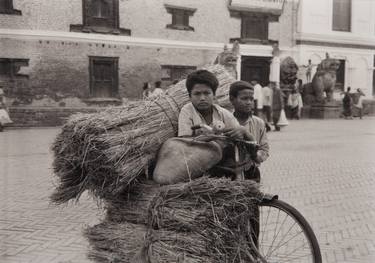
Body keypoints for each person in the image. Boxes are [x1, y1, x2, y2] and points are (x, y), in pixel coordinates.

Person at [178, 69, 243, 138]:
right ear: (190, 96)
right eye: (197, 94)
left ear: (214, 95)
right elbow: (185, 140)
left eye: (206, 93)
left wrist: (240, 131)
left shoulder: (222, 113)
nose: (202, 98)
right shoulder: (187, 111)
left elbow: (237, 132)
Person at [229, 80, 270, 183]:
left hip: (251, 173)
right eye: (244, 98)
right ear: (232, 99)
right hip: (227, 174)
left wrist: (255, 154)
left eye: (251, 99)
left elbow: (264, 150)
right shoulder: (225, 121)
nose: (249, 102)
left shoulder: (259, 123)